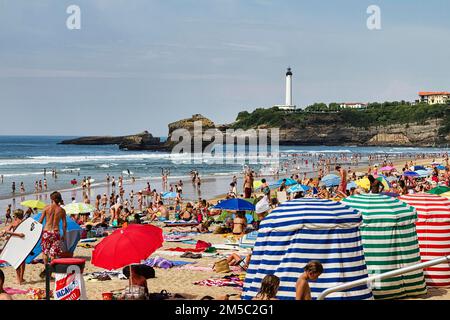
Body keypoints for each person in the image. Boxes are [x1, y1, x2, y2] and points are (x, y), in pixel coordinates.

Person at [38, 191, 67, 272]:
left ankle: (47, 270)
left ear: (52, 199)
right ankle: (51, 270)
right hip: (55, 232)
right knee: (53, 253)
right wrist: (64, 235)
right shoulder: (62, 210)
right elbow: (64, 224)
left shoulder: (46, 208)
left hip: (47, 232)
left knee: (45, 252)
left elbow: (40, 221)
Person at [0, 209, 26, 284]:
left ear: (16, 216)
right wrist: (18, 235)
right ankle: (21, 278)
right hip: (23, 242)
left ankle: (19, 278)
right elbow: (7, 232)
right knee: (22, 260)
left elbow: (6, 231)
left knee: (17, 260)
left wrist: (14, 235)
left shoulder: (14, 223)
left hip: (16, 243)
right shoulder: (24, 222)